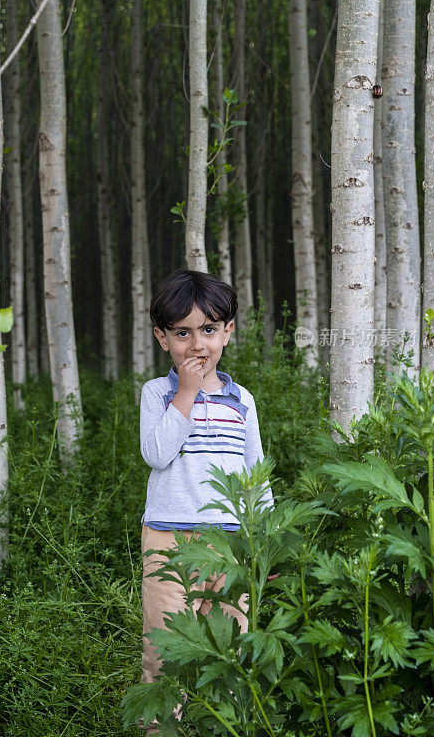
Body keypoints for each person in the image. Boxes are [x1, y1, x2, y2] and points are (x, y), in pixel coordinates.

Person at [138, 268, 274, 734]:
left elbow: (256, 476)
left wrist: (267, 543)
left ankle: (221, 727)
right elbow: (157, 454)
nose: (197, 345)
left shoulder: (242, 401)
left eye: (209, 330)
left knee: (228, 651)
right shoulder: (158, 393)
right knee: (165, 651)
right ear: (162, 338)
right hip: (167, 543)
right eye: (182, 333)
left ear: (228, 332)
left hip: (230, 545)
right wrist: (187, 393)